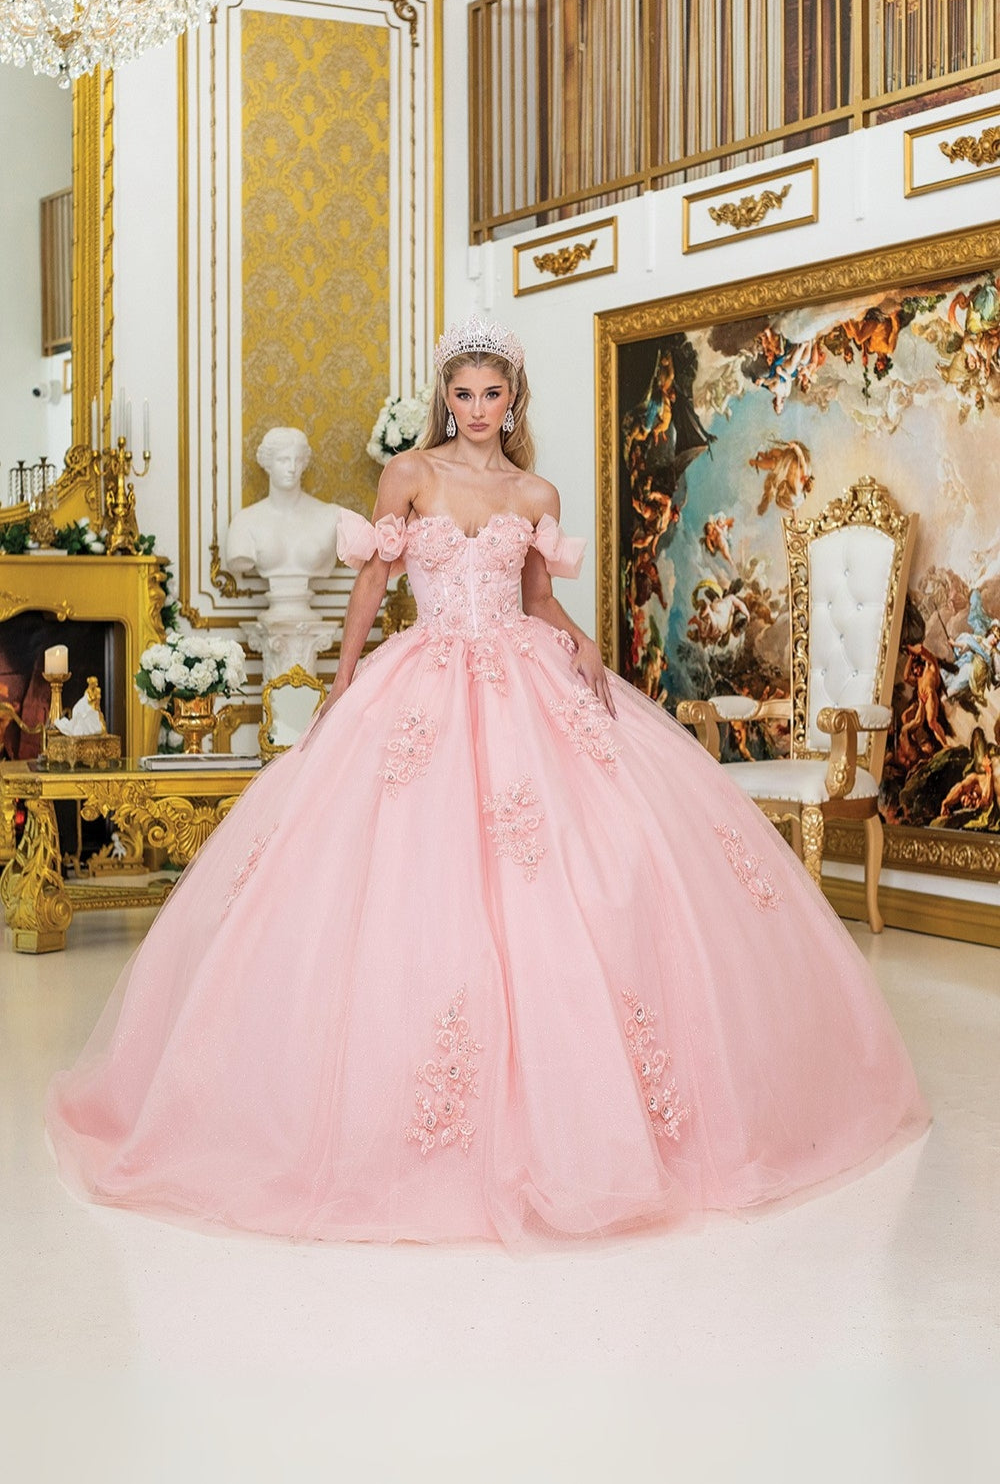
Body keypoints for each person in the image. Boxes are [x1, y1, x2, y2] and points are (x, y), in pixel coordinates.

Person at [45, 318, 927, 1248]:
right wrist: (343, 682)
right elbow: (376, 584)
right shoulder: (411, 475)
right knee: (400, 872)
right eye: (460, 394)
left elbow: (539, 598)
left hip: (524, 672)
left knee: (588, 863)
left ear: (514, 399)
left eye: (490, 394)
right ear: (445, 399)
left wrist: (582, 643)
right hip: (422, 676)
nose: (474, 410)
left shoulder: (534, 490)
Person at [225, 427, 342, 598]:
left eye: (298, 460)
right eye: (283, 460)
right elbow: (237, 559)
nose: (292, 468)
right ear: (267, 464)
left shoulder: (330, 515)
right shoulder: (244, 521)